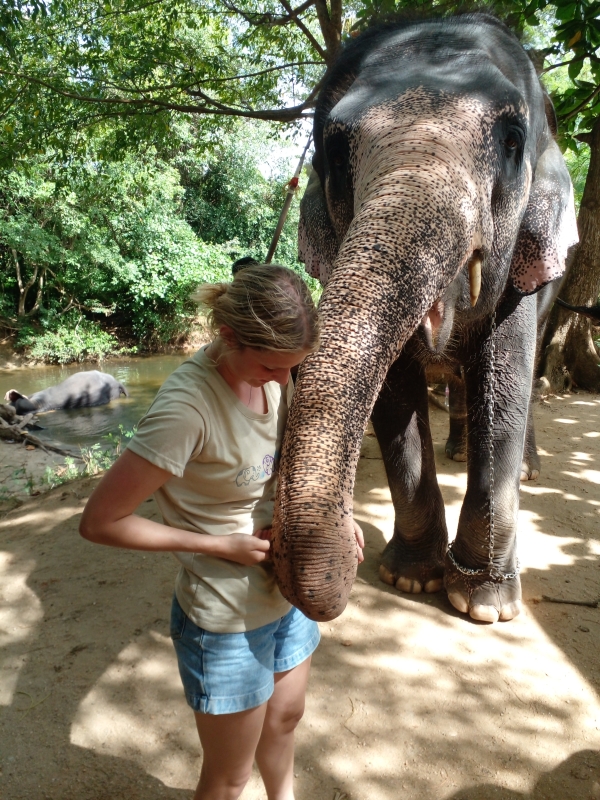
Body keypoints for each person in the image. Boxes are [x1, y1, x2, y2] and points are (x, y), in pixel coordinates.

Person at [80, 263, 364, 800]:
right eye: (270, 367)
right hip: (223, 616)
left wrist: (333, 519)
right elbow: (99, 522)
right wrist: (215, 546)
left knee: (284, 722)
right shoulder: (186, 410)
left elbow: (295, 465)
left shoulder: (272, 376)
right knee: (230, 776)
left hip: (283, 595)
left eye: (291, 368)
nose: (283, 381)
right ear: (229, 337)